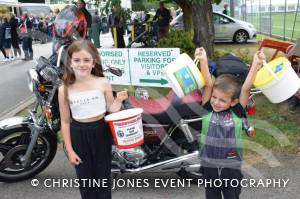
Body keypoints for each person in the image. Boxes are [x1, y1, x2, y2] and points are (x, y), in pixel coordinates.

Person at [58, 39, 128, 199]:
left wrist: (118, 100)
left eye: (86, 60)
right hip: (78, 134)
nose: (82, 64)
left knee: (103, 177)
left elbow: (110, 109)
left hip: (101, 132)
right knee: (85, 179)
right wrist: (69, 150)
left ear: (93, 62)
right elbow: (65, 121)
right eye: (77, 60)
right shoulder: (64, 89)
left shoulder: (103, 82)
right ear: (70, 63)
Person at [195, 47, 265, 199]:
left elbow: (246, 89)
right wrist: (203, 60)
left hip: (231, 167)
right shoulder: (207, 109)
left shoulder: (236, 112)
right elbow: (208, 84)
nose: (216, 102)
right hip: (209, 165)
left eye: (222, 100)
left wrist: (255, 64)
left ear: (233, 102)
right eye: (214, 97)